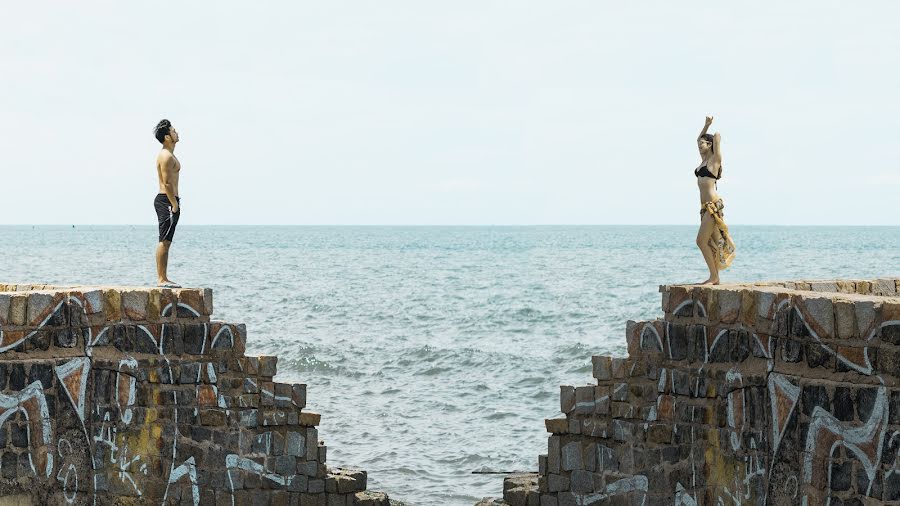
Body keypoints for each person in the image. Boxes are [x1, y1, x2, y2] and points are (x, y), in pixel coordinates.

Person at [695, 116, 735, 285]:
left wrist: (713, 131)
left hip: (713, 207)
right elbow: (698, 138)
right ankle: (715, 276)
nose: (699, 145)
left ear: (709, 145)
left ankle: (714, 277)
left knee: (700, 241)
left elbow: (717, 136)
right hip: (704, 207)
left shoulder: (714, 160)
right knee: (710, 243)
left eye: (703, 144)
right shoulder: (703, 160)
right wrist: (706, 126)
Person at [153, 119, 182, 288]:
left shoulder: (171, 155)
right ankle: (161, 279)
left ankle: (164, 278)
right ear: (167, 137)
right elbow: (167, 183)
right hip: (166, 200)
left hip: (170, 200)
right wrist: (174, 204)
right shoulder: (165, 156)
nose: (176, 132)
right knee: (164, 239)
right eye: (173, 130)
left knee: (168, 240)